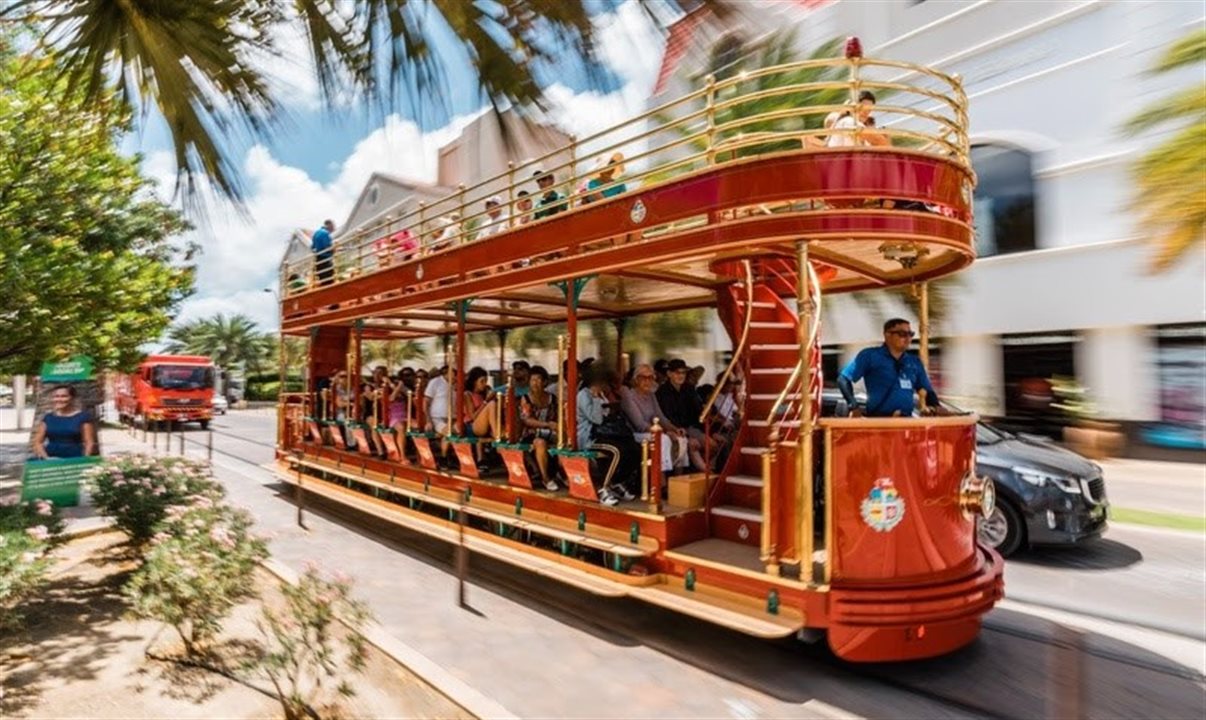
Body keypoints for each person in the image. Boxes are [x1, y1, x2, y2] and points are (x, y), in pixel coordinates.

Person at [838, 318, 941, 417]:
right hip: (881, 422)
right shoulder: (870, 356)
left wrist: (937, 407)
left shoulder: (914, 362)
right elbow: (843, 379)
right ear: (887, 335)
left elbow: (926, 390)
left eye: (910, 334)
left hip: (907, 423)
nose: (908, 338)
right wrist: (853, 406)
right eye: (902, 334)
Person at [621, 364, 689, 473]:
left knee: (681, 438)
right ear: (636, 379)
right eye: (643, 378)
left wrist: (674, 429)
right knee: (664, 439)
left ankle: (678, 479)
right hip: (636, 435)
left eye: (650, 378)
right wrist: (665, 432)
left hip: (653, 431)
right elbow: (640, 425)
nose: (647, 381)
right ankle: (660, 481)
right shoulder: (630, 396)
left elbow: (661, 417)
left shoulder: (651, 395)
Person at [655, 359, 707, 471]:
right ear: (669, 374)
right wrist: (688, 436)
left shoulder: (688, 389)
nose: (681, 375)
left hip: (690, 427)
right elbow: (667, 418)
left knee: (712, 445)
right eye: (677, 373)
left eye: (683, 373)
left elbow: (698, 412)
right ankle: (701, 473)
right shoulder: (662, 393)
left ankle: (697, 472)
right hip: (675, 429)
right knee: (692, 445)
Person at [519, 366, 559, 491]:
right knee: (540, 443)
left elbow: (558, 416)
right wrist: (547, 424)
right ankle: (545, 478)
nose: (535, 383)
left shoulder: (552, 398)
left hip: (550, 432)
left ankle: (563, 472)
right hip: (530, 434)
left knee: (566, 440)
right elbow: (526, 420)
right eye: (532, 380)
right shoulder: (525, 398)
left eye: (538, 379)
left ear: (545, 382)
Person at [31, 385, 95, 459]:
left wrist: (84, 460)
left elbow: (89, 442)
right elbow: (37, 442)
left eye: (64, 396)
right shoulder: (48, 418)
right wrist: (47, 458)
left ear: (72, 398)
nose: (59, 399)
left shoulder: (82, 417)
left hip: (74, 458)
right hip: (50, 458)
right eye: (56, 396)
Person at [462, 367, 502, 439]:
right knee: (492, 404)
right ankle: (497, 434)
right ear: (474, 382)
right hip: (472, 425)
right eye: (482, 381)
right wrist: (486, 401)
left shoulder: (484, 392)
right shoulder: (467, 394)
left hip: (485, 424)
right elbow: (472, 417)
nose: (484, 384)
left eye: (486, 381)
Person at [424, 365, 451, 435]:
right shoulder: (435, 382)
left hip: (452, 418)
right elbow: (426, 402)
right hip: (438, 419)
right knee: (449, 432)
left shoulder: (456, 384)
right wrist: (428, 421)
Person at [311, 219, 336, 286]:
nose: (334, 228)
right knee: (329, 281)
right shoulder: (325, 233)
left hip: (318, 260)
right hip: (325, 260)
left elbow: (312, 248)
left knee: (323, 281)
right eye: (333, 226)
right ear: (329, 225)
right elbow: (328, 247)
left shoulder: (316, 233)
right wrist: (334, 249)